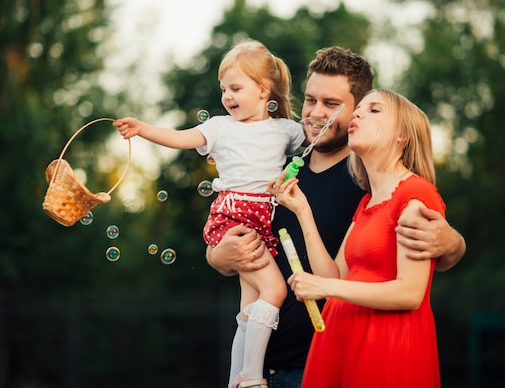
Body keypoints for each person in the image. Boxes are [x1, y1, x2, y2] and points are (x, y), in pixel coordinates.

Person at [206, 46, 466, 388]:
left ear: (355, 110)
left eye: (331, 104)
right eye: (311, 100)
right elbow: (230, 231)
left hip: (326, 360)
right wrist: (217, 257)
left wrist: (454, 244)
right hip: (260, 363)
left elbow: (422, 250)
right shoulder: (278, 171)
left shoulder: (370, 183)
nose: (315, 113)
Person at [114, 40, 305, 388]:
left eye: (236, 88)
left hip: (264, 222)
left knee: (249, 305)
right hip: (235, 219)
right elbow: (179, 136)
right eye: (224, 90)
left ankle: (235, 380)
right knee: (275, 292)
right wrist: (143, 129)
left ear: (264, 90)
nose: (227, 97)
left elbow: (316, 143)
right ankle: (252, 378)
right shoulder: (220, 127)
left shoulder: (286, 130)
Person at [275, 88, 444, 387]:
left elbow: (411, 292)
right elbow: (336, 275)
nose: (357, 114)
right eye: (358, 109)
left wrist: (324, 286)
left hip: (385, 347)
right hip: (345, 341)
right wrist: (302, 210)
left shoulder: (414, 195)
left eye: (374, 110)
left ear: (401, 136)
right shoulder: (367, 202)